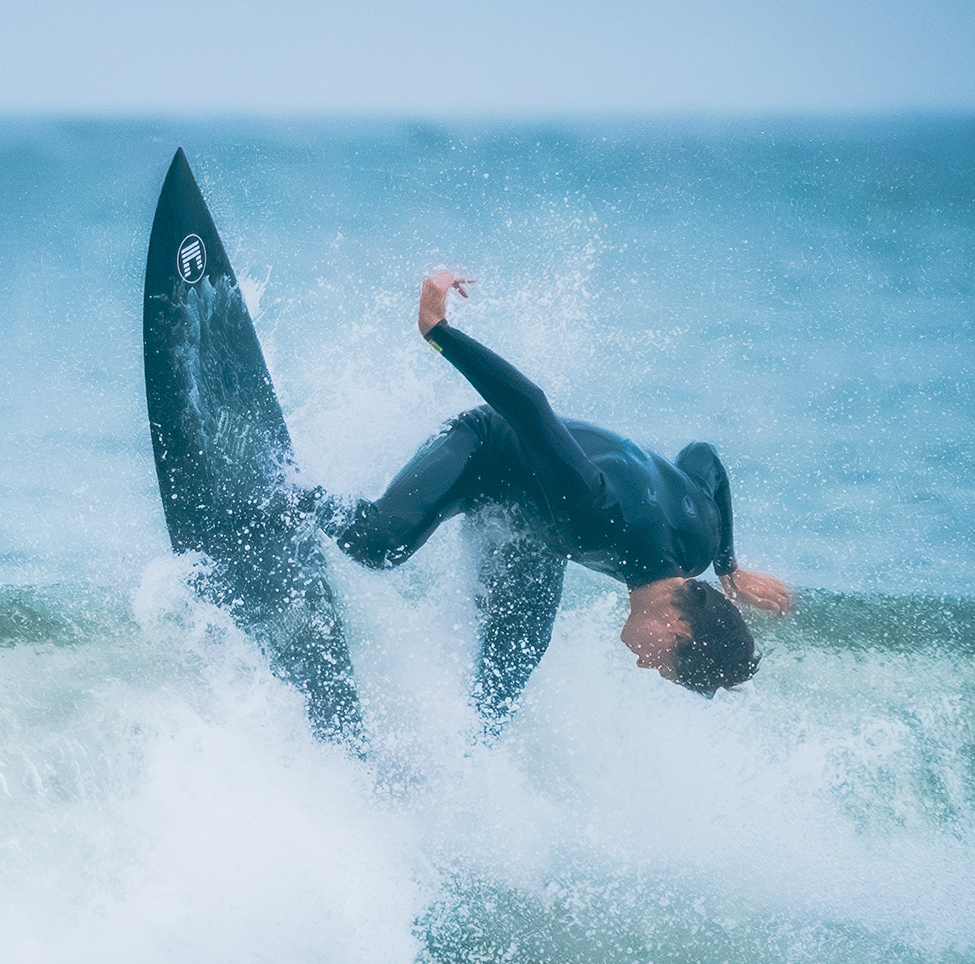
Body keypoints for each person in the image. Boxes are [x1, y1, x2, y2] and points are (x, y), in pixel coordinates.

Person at [300, 267, 793, 719]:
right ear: (677, 631)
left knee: (515, 657)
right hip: (485, 451)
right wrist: (437, 332)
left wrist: (728, 565)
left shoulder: (700, 542)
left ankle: (459, 761)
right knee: (380, 545)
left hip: (536, 521)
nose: (646, 667)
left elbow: (704, 459)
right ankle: (288, 492)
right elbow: (529, 407)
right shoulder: (601, 516)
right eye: (662, 665)